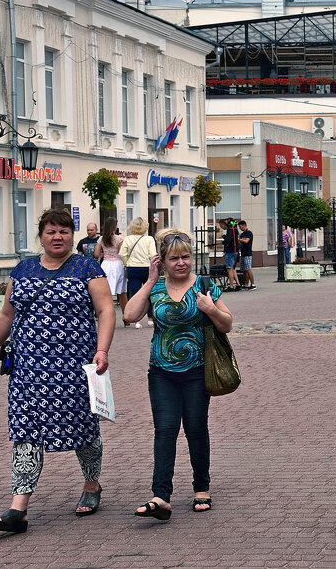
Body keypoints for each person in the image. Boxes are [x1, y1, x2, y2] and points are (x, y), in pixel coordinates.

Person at [0, 209, 116, 534]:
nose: (58, 237)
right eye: (52, 231)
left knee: (83, 429)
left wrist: (102, 349)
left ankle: (92, 484)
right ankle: (18, 508)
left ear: (71, 235)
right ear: (41, 235)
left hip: (75, 369)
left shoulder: (86, 268)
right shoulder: (23, 269)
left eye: (64, 232)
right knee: (25, 431)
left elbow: (106, 309)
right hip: (29, 372)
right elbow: (7, 315)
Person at [124, 229, 233, 521]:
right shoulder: (156, 287)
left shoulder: (203, 286)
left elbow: (227, 324)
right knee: (165, 430)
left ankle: (201, 489)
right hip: (161, 372)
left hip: (197, 371)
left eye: (186, 256)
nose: (181, 262)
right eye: (174, 258)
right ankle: (161, 496)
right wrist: (149, 280)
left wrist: (210, 309)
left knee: (196, 429)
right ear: (163, 260)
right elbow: (129, 315)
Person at [122, 218, 159, 320]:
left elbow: (122, 254)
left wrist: (126, 262)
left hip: (132, 268)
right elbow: (153, 255)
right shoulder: (149, 239)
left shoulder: (127, 239)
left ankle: (136, 319)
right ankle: (150, 318)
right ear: (145, 227)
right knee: (149, 293)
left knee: (135, 293)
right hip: (146, 268)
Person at [94, 216, 129, 324]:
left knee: (106, 292)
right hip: (117, 264)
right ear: (115, 226)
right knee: (122, 292)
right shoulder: (119, 239)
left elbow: (96, 254)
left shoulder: (101, 239)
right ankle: (126, 318)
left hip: (106, 265)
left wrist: (104, 254)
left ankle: (106, 317)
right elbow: (121, 253)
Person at [221, 219, 240, 291]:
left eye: (221, 226)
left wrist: (224, 237)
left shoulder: (230, 230)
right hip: (235, 251)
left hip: (230, 251)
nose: (222, 228)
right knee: (233, 269)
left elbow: (229, 239)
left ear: (224, 224)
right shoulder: (235, 230)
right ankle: (238, 284)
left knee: (229, 269)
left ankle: (231, 286)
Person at [238, 220, 255, 290]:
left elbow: (246, 241)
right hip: (243, 253)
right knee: (244, 270)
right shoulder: (242, 234)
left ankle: (253, 284)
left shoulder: (249, 233)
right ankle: (245, 284)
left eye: (241, 226)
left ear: (244, 225)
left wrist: (239, 239)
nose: (240, 228)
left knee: (248, 269)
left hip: (248, 253)